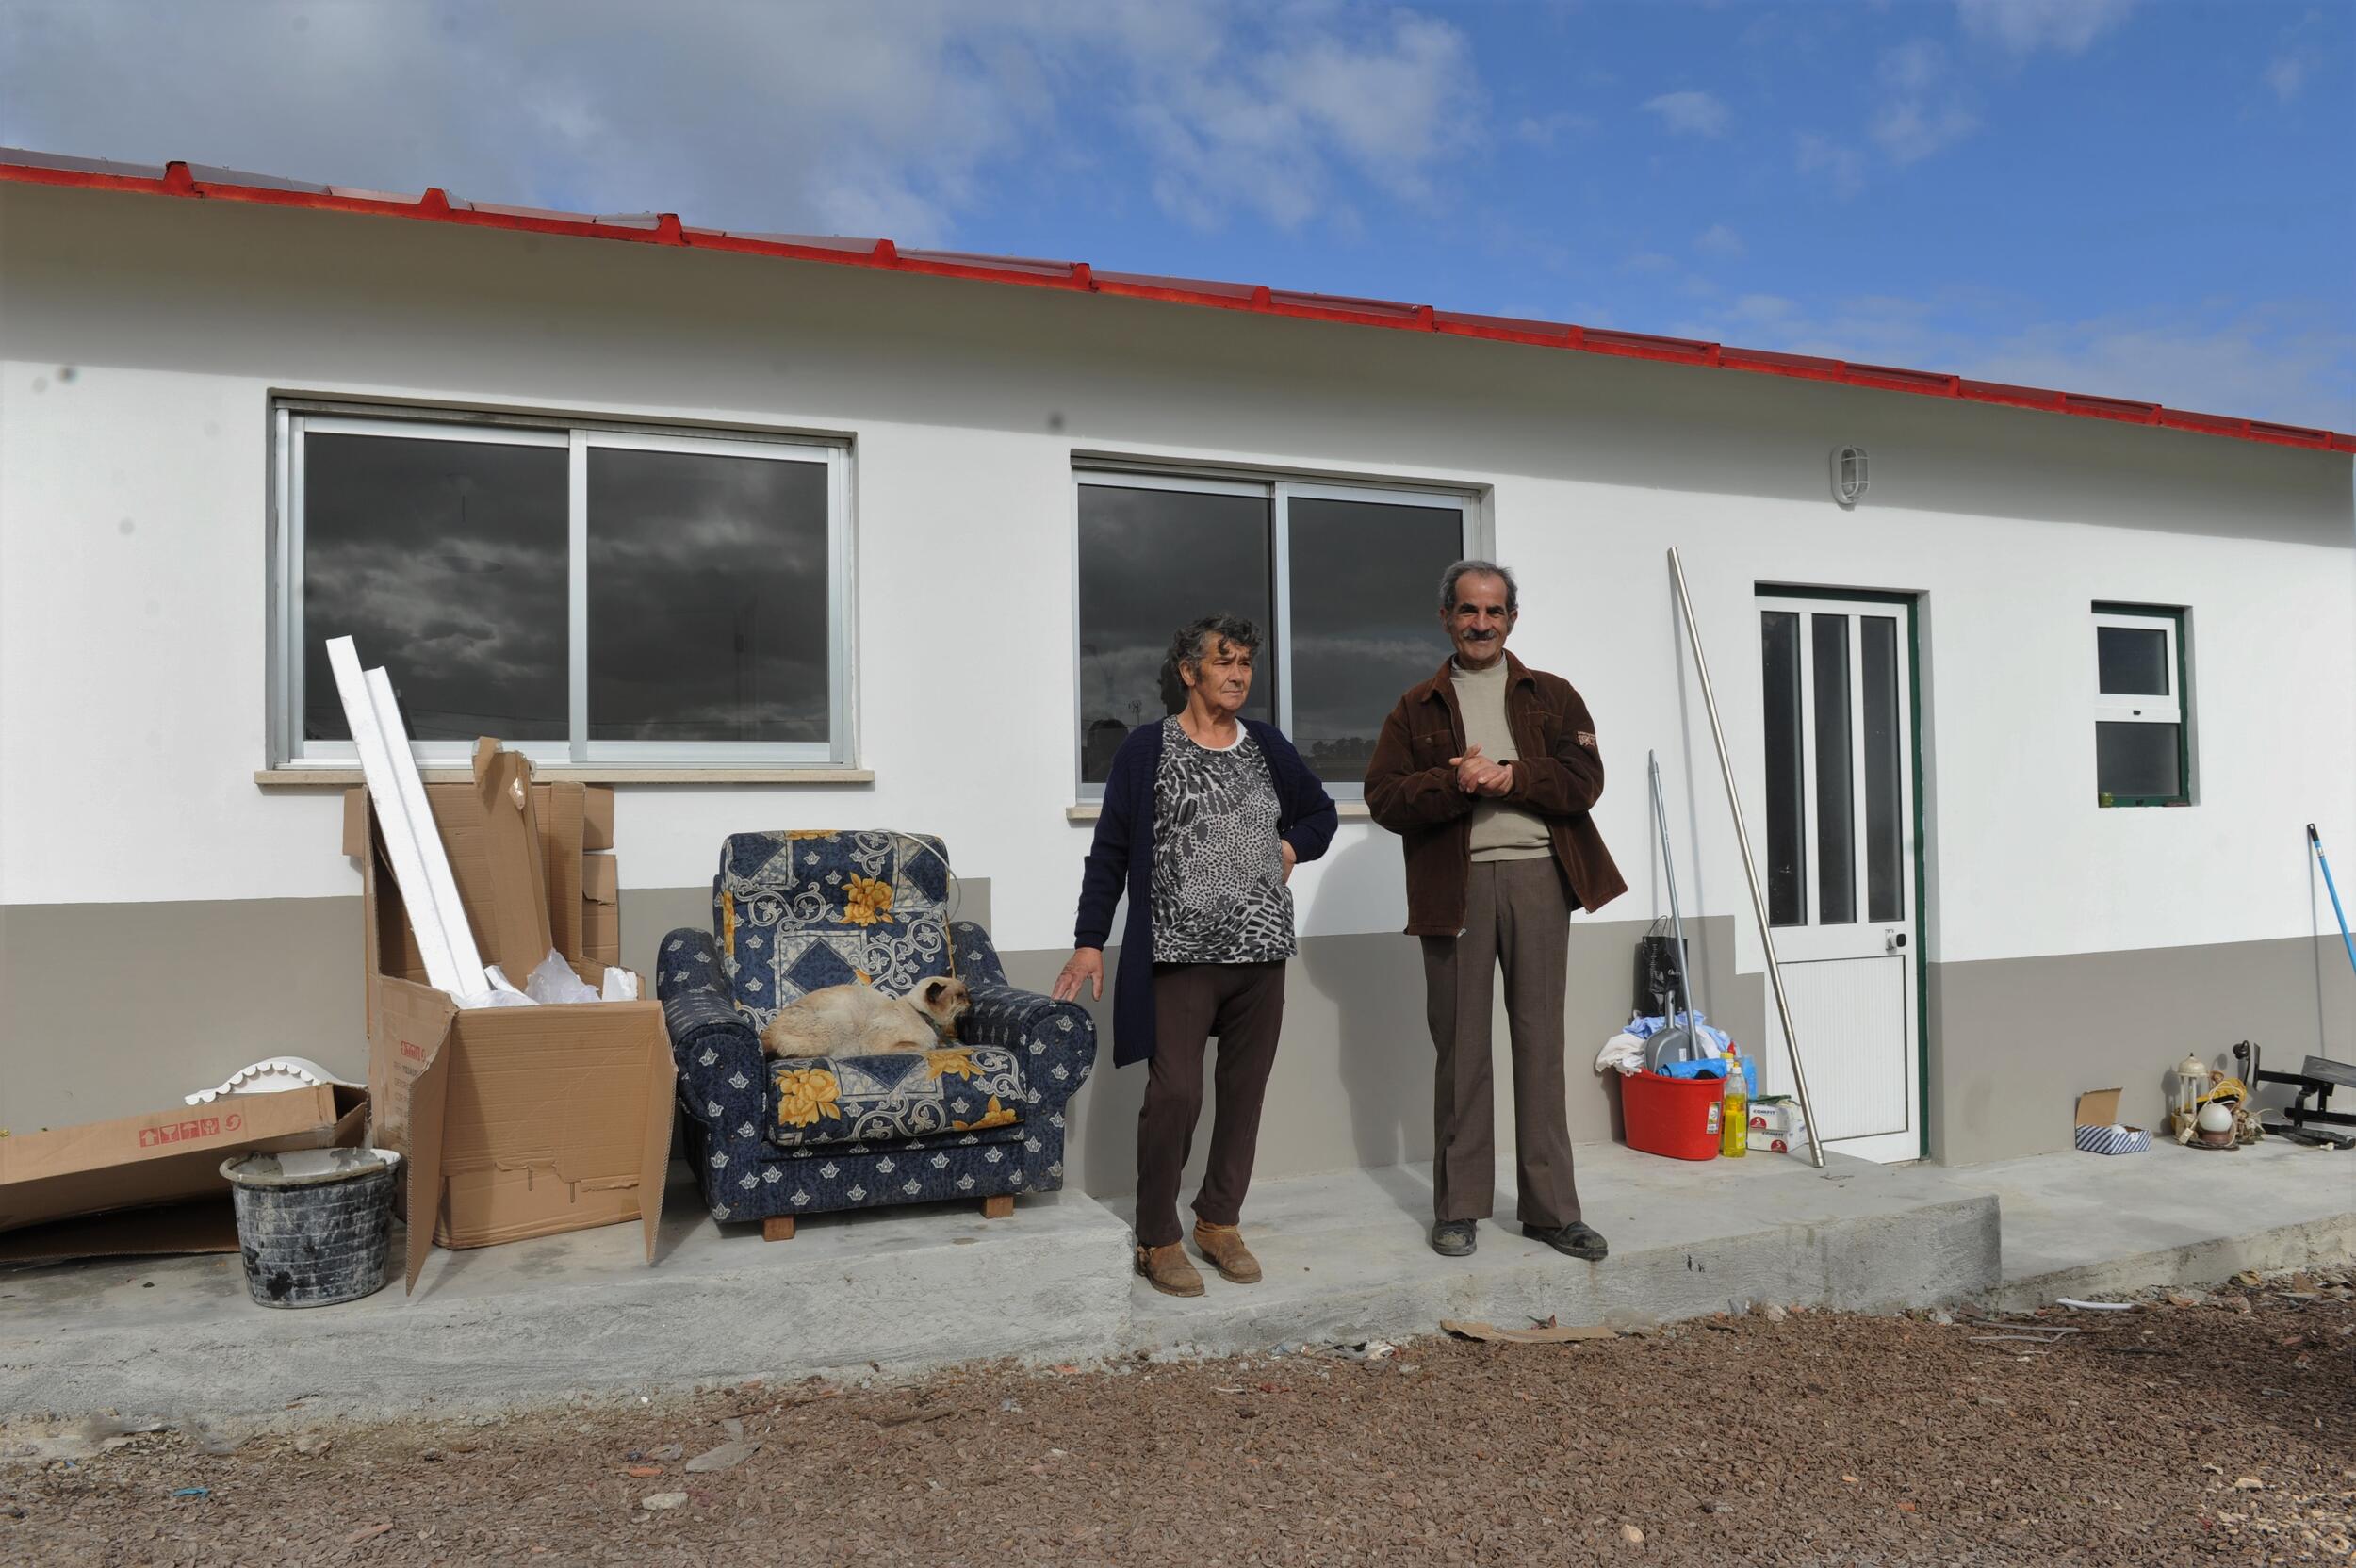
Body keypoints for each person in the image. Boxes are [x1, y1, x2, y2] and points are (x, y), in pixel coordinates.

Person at [1055, 614, 1338, 1297]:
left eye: (1246, 663)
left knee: (1244, 1094)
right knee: (1175, 1094)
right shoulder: (1147, 749)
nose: (1238, 675)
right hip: (1178, 954)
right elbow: (1110, 852)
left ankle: (1218, 1221)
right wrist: (1090, 941)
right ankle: (1157, 1235)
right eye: (1224, 661)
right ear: (1189, 672)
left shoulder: (1266, 745)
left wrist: (1291, 846)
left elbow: (1320, 815)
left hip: (1260, 951)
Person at [1364, 560, 1627, 1261]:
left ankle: (1551, 1212)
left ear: (1512, 619)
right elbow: (1383, 797)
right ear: (1445, 617)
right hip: (1454, 888)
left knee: (1541, 1047)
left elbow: (1585, 781)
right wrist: (1453, 783)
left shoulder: (1554, 696)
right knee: (1462, 1051)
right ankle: (1459, 1208)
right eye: (1468, 610)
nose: (1481, 623)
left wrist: (1511, 777)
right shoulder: (1416, 706)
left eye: (1494, 611)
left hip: (1541, 880)